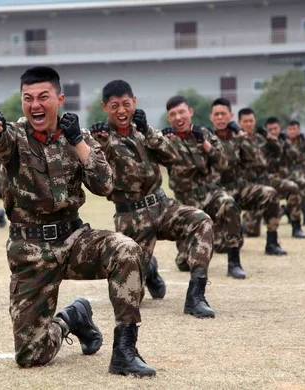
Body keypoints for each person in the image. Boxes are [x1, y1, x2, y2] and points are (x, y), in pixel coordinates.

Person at [0, 66, 156, 378]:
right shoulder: (15, 137)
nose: (36, 105)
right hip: (30, 251)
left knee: (126, 249)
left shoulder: (78, 138)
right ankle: (72, 317)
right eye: (28, 98)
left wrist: (77, 140)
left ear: (59, 99)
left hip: (74, 240)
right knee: (30, 356)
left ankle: (125, 351)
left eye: (43, 97)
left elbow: (104, 185)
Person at [90, 80, 214, 318]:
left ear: (134, 102)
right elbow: (97, 174)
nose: (121, 110)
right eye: (114, 106)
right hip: (131, 217)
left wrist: (148, 130)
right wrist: (102, 143)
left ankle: (196, 297)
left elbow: (172, 156)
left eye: (126, 104)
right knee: (129, 297)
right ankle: (150, 269)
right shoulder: (100, 137)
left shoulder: (143, 131)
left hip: (161, 205)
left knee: (202, 221)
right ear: (105, 107)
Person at [163, 95, 246, 279]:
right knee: (185, 264)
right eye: (173, 114)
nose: (178, 117)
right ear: (169, 117)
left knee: (229, 203)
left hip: (210, 194)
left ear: (190, 112)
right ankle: (198, 247)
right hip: (185, 202)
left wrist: (205, 144)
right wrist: (162, 143)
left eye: (182, 112)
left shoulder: (205, 134)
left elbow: (223, 163)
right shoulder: (166, 139)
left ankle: (234, 262)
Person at [210, 98, 287, 256]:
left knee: (270, 193)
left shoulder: (239, 137)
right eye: (216, 114)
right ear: (211, 117)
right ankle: (233, 230)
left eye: (223, 114)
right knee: (221, 246)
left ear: (230, 116)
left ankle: (272, 243)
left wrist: (241, 134)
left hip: (239, 188)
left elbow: (256, 158)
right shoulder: (205, 137)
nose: (220, 117)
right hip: (216, 193)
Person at [237, 110, 305, 239]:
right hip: (249, 185)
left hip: (266, 179)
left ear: (255, 121)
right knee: (252, 232)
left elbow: (279, 152)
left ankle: (296, 227)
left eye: (251, 120)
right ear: (239, 122)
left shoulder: (260, 138)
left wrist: (270, 137)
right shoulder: (236, 140)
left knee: (292, 187)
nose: (248, 124)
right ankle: (244, 223)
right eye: (245, 121)